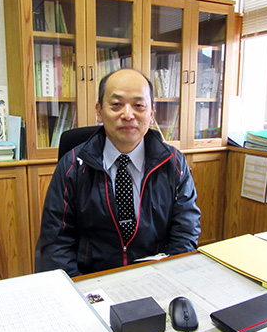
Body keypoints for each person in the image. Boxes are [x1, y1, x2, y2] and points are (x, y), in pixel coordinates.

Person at [35, 68, 201, 277]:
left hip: (155, 277)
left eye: (139, 105)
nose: (128, 114)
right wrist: (81, 290)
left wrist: (169, 278)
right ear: (99, 111)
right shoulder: (72, 166)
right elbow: (55, 243)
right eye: (116, 105)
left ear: (151, 114)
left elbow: (185, 232)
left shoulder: (174, 163)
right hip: (91, 280)